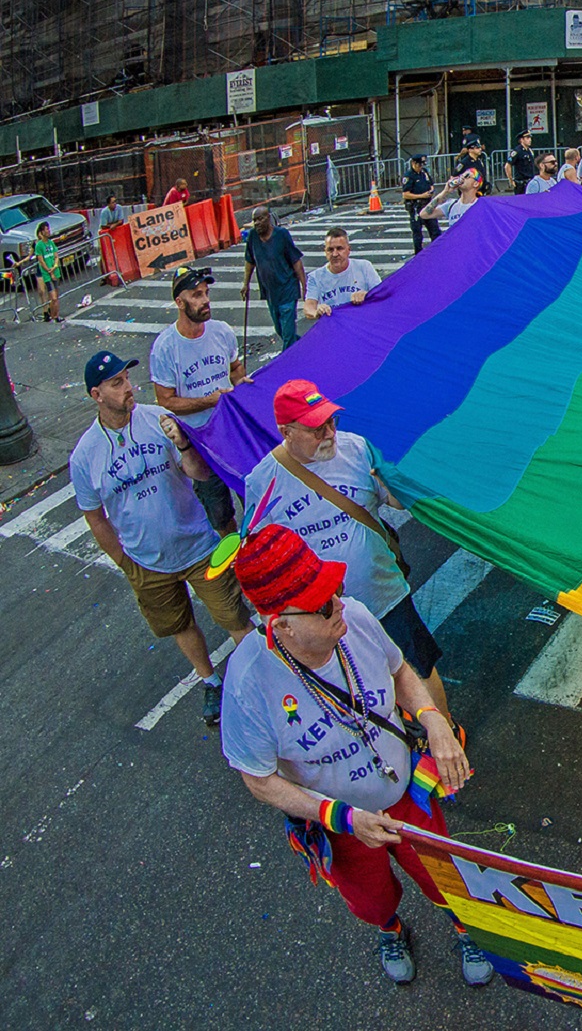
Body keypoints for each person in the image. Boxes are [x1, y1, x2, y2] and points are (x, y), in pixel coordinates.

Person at [221, 525, 491, 987]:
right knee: (371, 900)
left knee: (444, 877)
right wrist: (339, 817)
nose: (340, 605)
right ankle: (390, 929)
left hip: (406, 793)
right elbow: (258, 778)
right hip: (342, 825)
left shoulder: (357, 619)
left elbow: (400, 670)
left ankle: (466, 927)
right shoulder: (249, 683)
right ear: (279, 625)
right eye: (324, 604)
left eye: (337, 589)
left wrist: (432, 719)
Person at [245, 377, 455, 720]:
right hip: (325, 613)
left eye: (330, 421)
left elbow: (395, 502)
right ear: (287, 431)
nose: (329, 434)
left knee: (418, 667)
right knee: (355, 683)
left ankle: (446, 737)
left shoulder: (356, 448)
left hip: (384, 595)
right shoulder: (262, 483)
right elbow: (264, 555)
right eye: (316, 429)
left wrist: (399, 483)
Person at [71, 350, 253, 724]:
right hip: (146, 562)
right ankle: (211, 681)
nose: (128, 388)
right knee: (179, 624)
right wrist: (125, 562)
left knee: (235, 617)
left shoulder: (158, 420)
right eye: (117, 383)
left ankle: (263, 680)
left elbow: (200, 474)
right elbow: (96, 517)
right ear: (96, 395)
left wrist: (184, 443)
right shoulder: (84, 456)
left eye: (127, 379)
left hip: (199, 547)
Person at [150, 266, 248, 536]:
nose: (205, 300)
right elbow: (166, 401)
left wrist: (242, 386)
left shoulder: (221, 331)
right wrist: (210, 400)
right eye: (196, 295)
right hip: (198, 442)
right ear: (179, 302)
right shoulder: (165, 348)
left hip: (231, 432)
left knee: (252, 499)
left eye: (206, 293)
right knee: (219, 511)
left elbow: (236, 368)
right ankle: (233, 555)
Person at [241, 207, 307, 349]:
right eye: (254, 220)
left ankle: (287, 364)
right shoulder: (252, 236)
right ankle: (305, 347)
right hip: (270, 292)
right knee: (280, 330)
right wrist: (245, 284)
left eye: (260, 219)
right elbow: (250, 261)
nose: (257, 223)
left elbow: (296, 261)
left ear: (268, 218)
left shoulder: (282, 235)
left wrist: (304, 285)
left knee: (288, 334)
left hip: (287, 289)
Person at [302, 228, 381, 320]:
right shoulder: (315, 277)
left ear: (348, 249)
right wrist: (317, 312)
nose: (335, 254)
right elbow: (309, 307)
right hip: (335, 329)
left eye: (339, 248)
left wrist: (366, 295)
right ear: (325, 252)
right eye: (330, 250)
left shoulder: (364, 267)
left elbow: (381, 294)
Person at [417, 168, 483, 230]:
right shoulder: (452, 205)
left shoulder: (481, 206)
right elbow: (424, 214)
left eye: (467, 176)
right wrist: (445, 192)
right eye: (461, 175)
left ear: (476, 183)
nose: (462, 178)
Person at [401, 155, 440, 255]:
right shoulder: (409, 176)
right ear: (413, 163)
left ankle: (437, 251)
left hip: (427, 206)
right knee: (417, 233)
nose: (420, 167)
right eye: (419, 165)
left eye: (422, 165)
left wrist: (431, 190)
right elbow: (406, 194)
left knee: (435, 230)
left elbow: (430, 183)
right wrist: (421, 195)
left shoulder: (424, 172)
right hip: (416, 207)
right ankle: (418, 254)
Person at [32, 223, 61, 323]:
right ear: (42, 232)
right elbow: (41, 260)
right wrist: (49, 270)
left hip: (55, 271)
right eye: (46, 230)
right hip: (47, 275)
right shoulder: (39, 245)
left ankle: (56, 315)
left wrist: (55, 266)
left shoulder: (51, 243)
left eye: (49, 229)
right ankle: (53, 316)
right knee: (53, 297)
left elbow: (56, 256)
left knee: (56, 296)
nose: (49, 231)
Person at [505, 130, 538, 194]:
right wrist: (511, 180)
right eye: (527, 138)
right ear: (522, 140)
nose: (530, 140)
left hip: (530, 182)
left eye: (530, 138)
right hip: (521, 184)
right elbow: (507, 165)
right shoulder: (517, 151)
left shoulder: (530, 151)